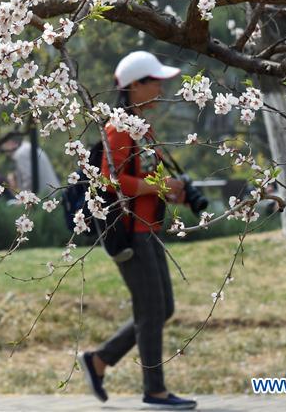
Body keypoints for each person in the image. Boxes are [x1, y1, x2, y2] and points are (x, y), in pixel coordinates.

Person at [78, 50, 198, 410]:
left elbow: (143, 179)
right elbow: (108, 177)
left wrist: (173, 191)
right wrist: (158, 188)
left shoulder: (142, 127)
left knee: (161, 310)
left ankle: (98, 361)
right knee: (151, 312)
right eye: (154, 81)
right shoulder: (118, 127)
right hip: (133, 234)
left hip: (150, 230)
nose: (161, 87)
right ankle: (155, 390)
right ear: (134, 86)